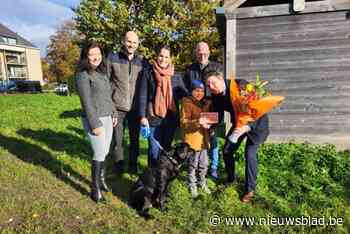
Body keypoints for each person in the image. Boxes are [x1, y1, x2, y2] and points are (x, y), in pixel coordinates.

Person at [204, 71, 269, 203]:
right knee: (227, 150)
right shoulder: (216, 95)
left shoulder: (240, 85)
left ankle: (250, 190)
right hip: (238, 124)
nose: (211, 87)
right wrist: (209, 125)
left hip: (256, 124)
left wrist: (249, 126)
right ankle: (231, 179)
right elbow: (218, 114)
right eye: (208, 85)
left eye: (213, 82)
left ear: (221, 78)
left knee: (249, 154)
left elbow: (259, 107)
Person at [76, 42, 118, 203]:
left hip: (108, 117)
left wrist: (113, 113)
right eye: (92, 54)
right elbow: (86, 102)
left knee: (105, 151)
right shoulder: (82, 75)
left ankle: (101, 180)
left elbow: (108, 97)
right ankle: (95, 189)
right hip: (95, 119)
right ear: (86, 56)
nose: (96, 57)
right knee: (99, 153)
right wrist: (95, 124)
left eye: (98, 54)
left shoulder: (102, 73)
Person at [138, 44, 188, 168]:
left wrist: (198, 96)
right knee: (154, 150)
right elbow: (143, 94)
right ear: (157, 56)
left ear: (170, 58)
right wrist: (142, 116)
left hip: (170, 118)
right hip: (153, 116)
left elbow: (184, 95)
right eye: (161, 56)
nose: (163, 59)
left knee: (166, 149)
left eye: (166, 57)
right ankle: (151, 177)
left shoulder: (175, 75)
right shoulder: (148, 72)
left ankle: (162, 177)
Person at [107, 31, 149, 174]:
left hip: (135, 108)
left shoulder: (143, 62)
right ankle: (118, 167)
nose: (131, 45)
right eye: (129, 41)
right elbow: (106, 83)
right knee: (118, 141)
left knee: (134, 141)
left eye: (134, 42)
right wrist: (110, 109)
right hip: (117, 107)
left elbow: (147, 85)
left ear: (138, 44)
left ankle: (133, 166)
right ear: (123, 41)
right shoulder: (112, 58)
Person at [183, 42, 223, 179]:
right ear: (196, 53)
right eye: (199, 52)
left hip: (212, 107)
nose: (202, 54)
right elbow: (188, 89)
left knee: (212, 136)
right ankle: (194, 165)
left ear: (209, 52)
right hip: (196, 108)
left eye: (204, 52)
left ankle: (213, 168)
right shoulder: (190, 70)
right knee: (197, 136)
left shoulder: (217, 67)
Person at [180, 79, 212, 198]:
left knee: (203, 164)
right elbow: (184, 122)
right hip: (192, 140)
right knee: (193, 164)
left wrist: (210, 125)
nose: (199, 93)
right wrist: (198, 122)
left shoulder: (205, 103)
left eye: (202, 91)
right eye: (196, 90)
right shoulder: (186, 102)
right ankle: (191, 184)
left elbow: (209, 118)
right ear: (191, 91)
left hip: (204, 139)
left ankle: (202, 182)